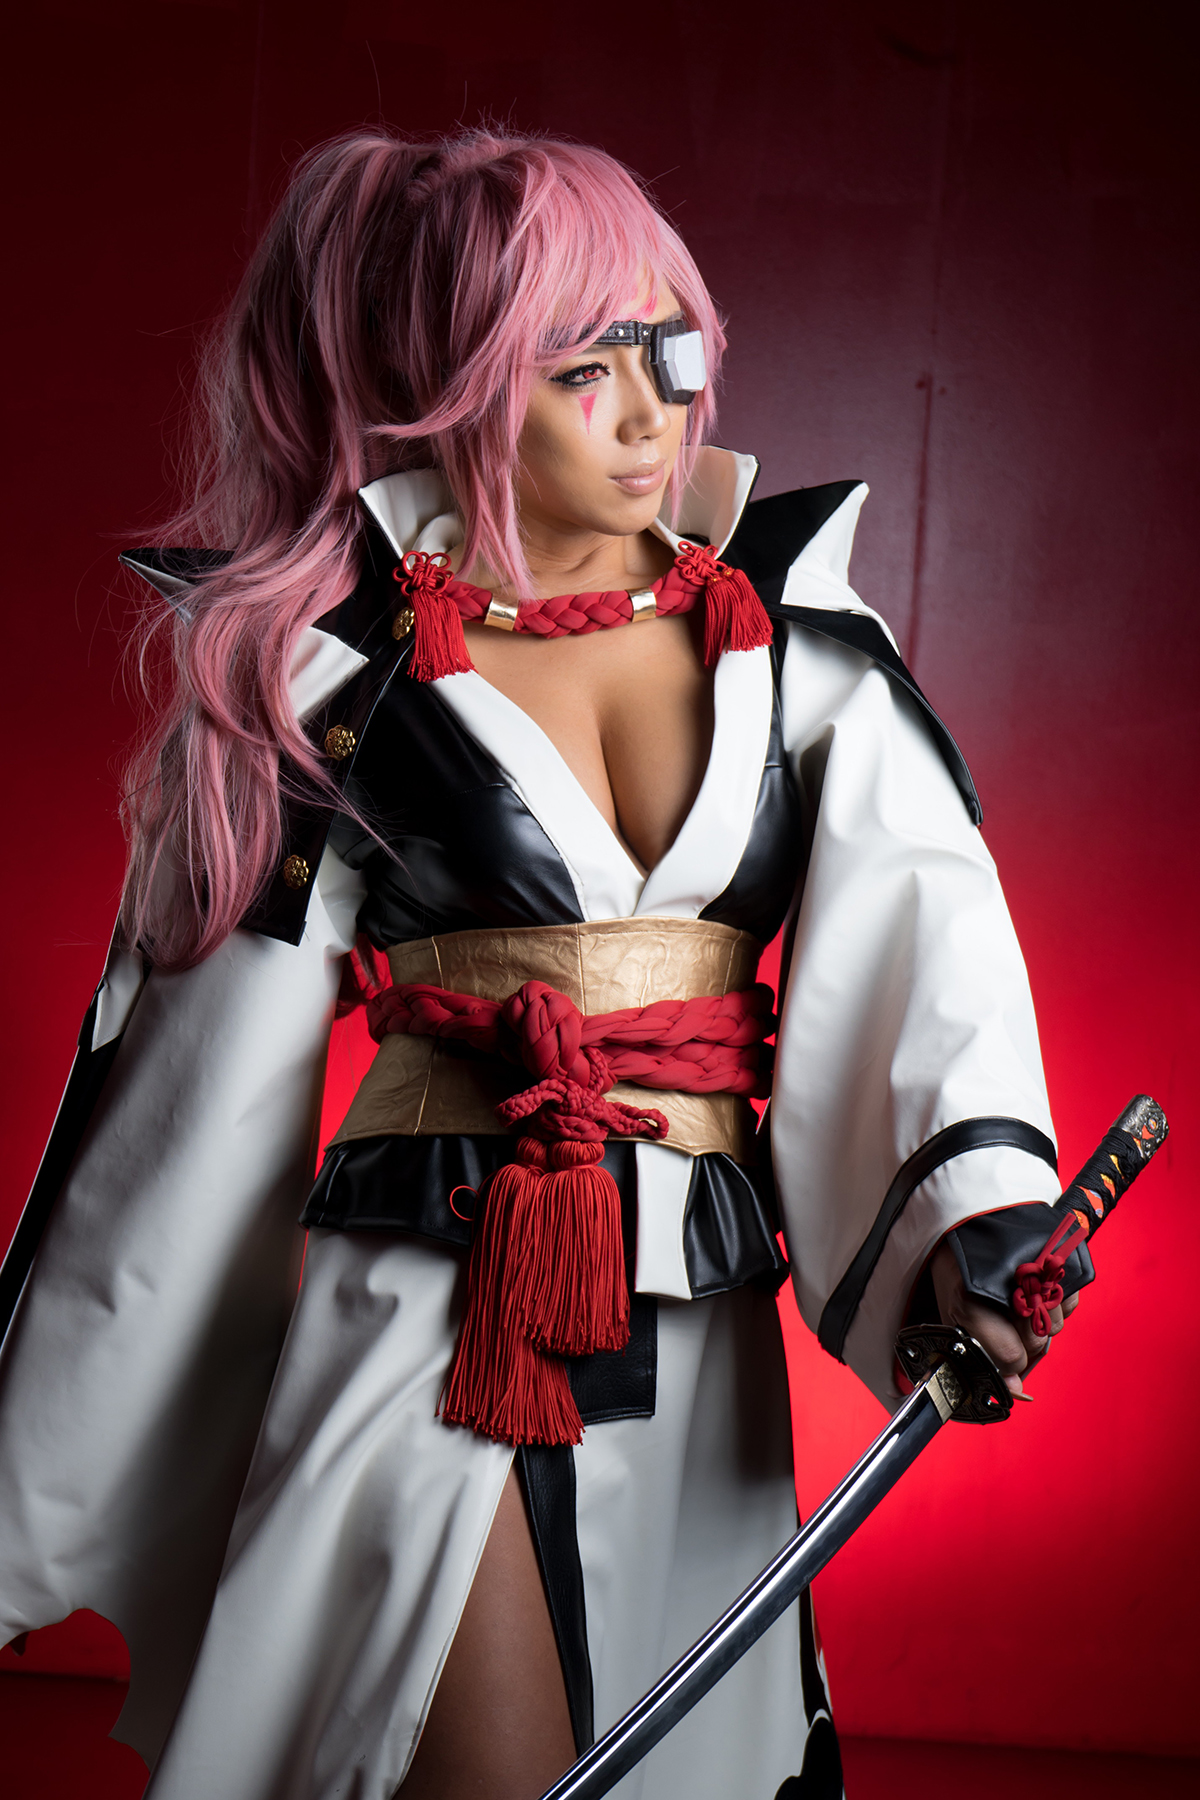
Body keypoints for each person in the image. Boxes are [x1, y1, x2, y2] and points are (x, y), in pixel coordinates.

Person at [0, 128, 1073, 1800]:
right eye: (584, 370)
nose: (650, 414)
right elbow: (201, 1090)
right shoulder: (336, 674)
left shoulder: (800, 642)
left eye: (670, 351)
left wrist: (975, 1232)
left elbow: (927, 944)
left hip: (692, 1334)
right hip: (429, 1315)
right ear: (454, 391)